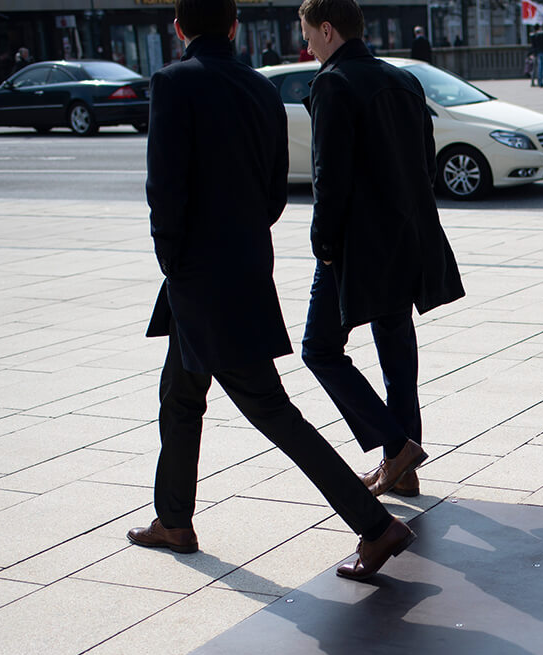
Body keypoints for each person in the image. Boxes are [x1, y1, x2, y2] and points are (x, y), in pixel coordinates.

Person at [136, 0, 414, 580]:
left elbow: (165, 190)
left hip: (196, 280)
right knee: (180, 397)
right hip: (241, 269)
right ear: (235, 27)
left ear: (180, 28)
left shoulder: (172, 83)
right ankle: (174, 519)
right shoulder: (261, 90)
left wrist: (175, 264)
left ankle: (375, 525)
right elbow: (274, 194)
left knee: (270, 410)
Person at [298, 0, 464, 505]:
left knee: (320, 349)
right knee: (396, 351)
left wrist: (323, 244)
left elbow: (331, 176)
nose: (306, 45)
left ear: (328, 30)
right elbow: (426, 164)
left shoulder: (332, 83)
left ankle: (397, 447)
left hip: (355, 247)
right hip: (407, 237)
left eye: (308, 34)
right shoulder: (403, 80)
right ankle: (405, 469)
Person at [530, 22, 543, 87]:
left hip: (539, 52)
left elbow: (534, 44)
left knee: (539, 68)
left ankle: (539, 82)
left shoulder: (536, 34)